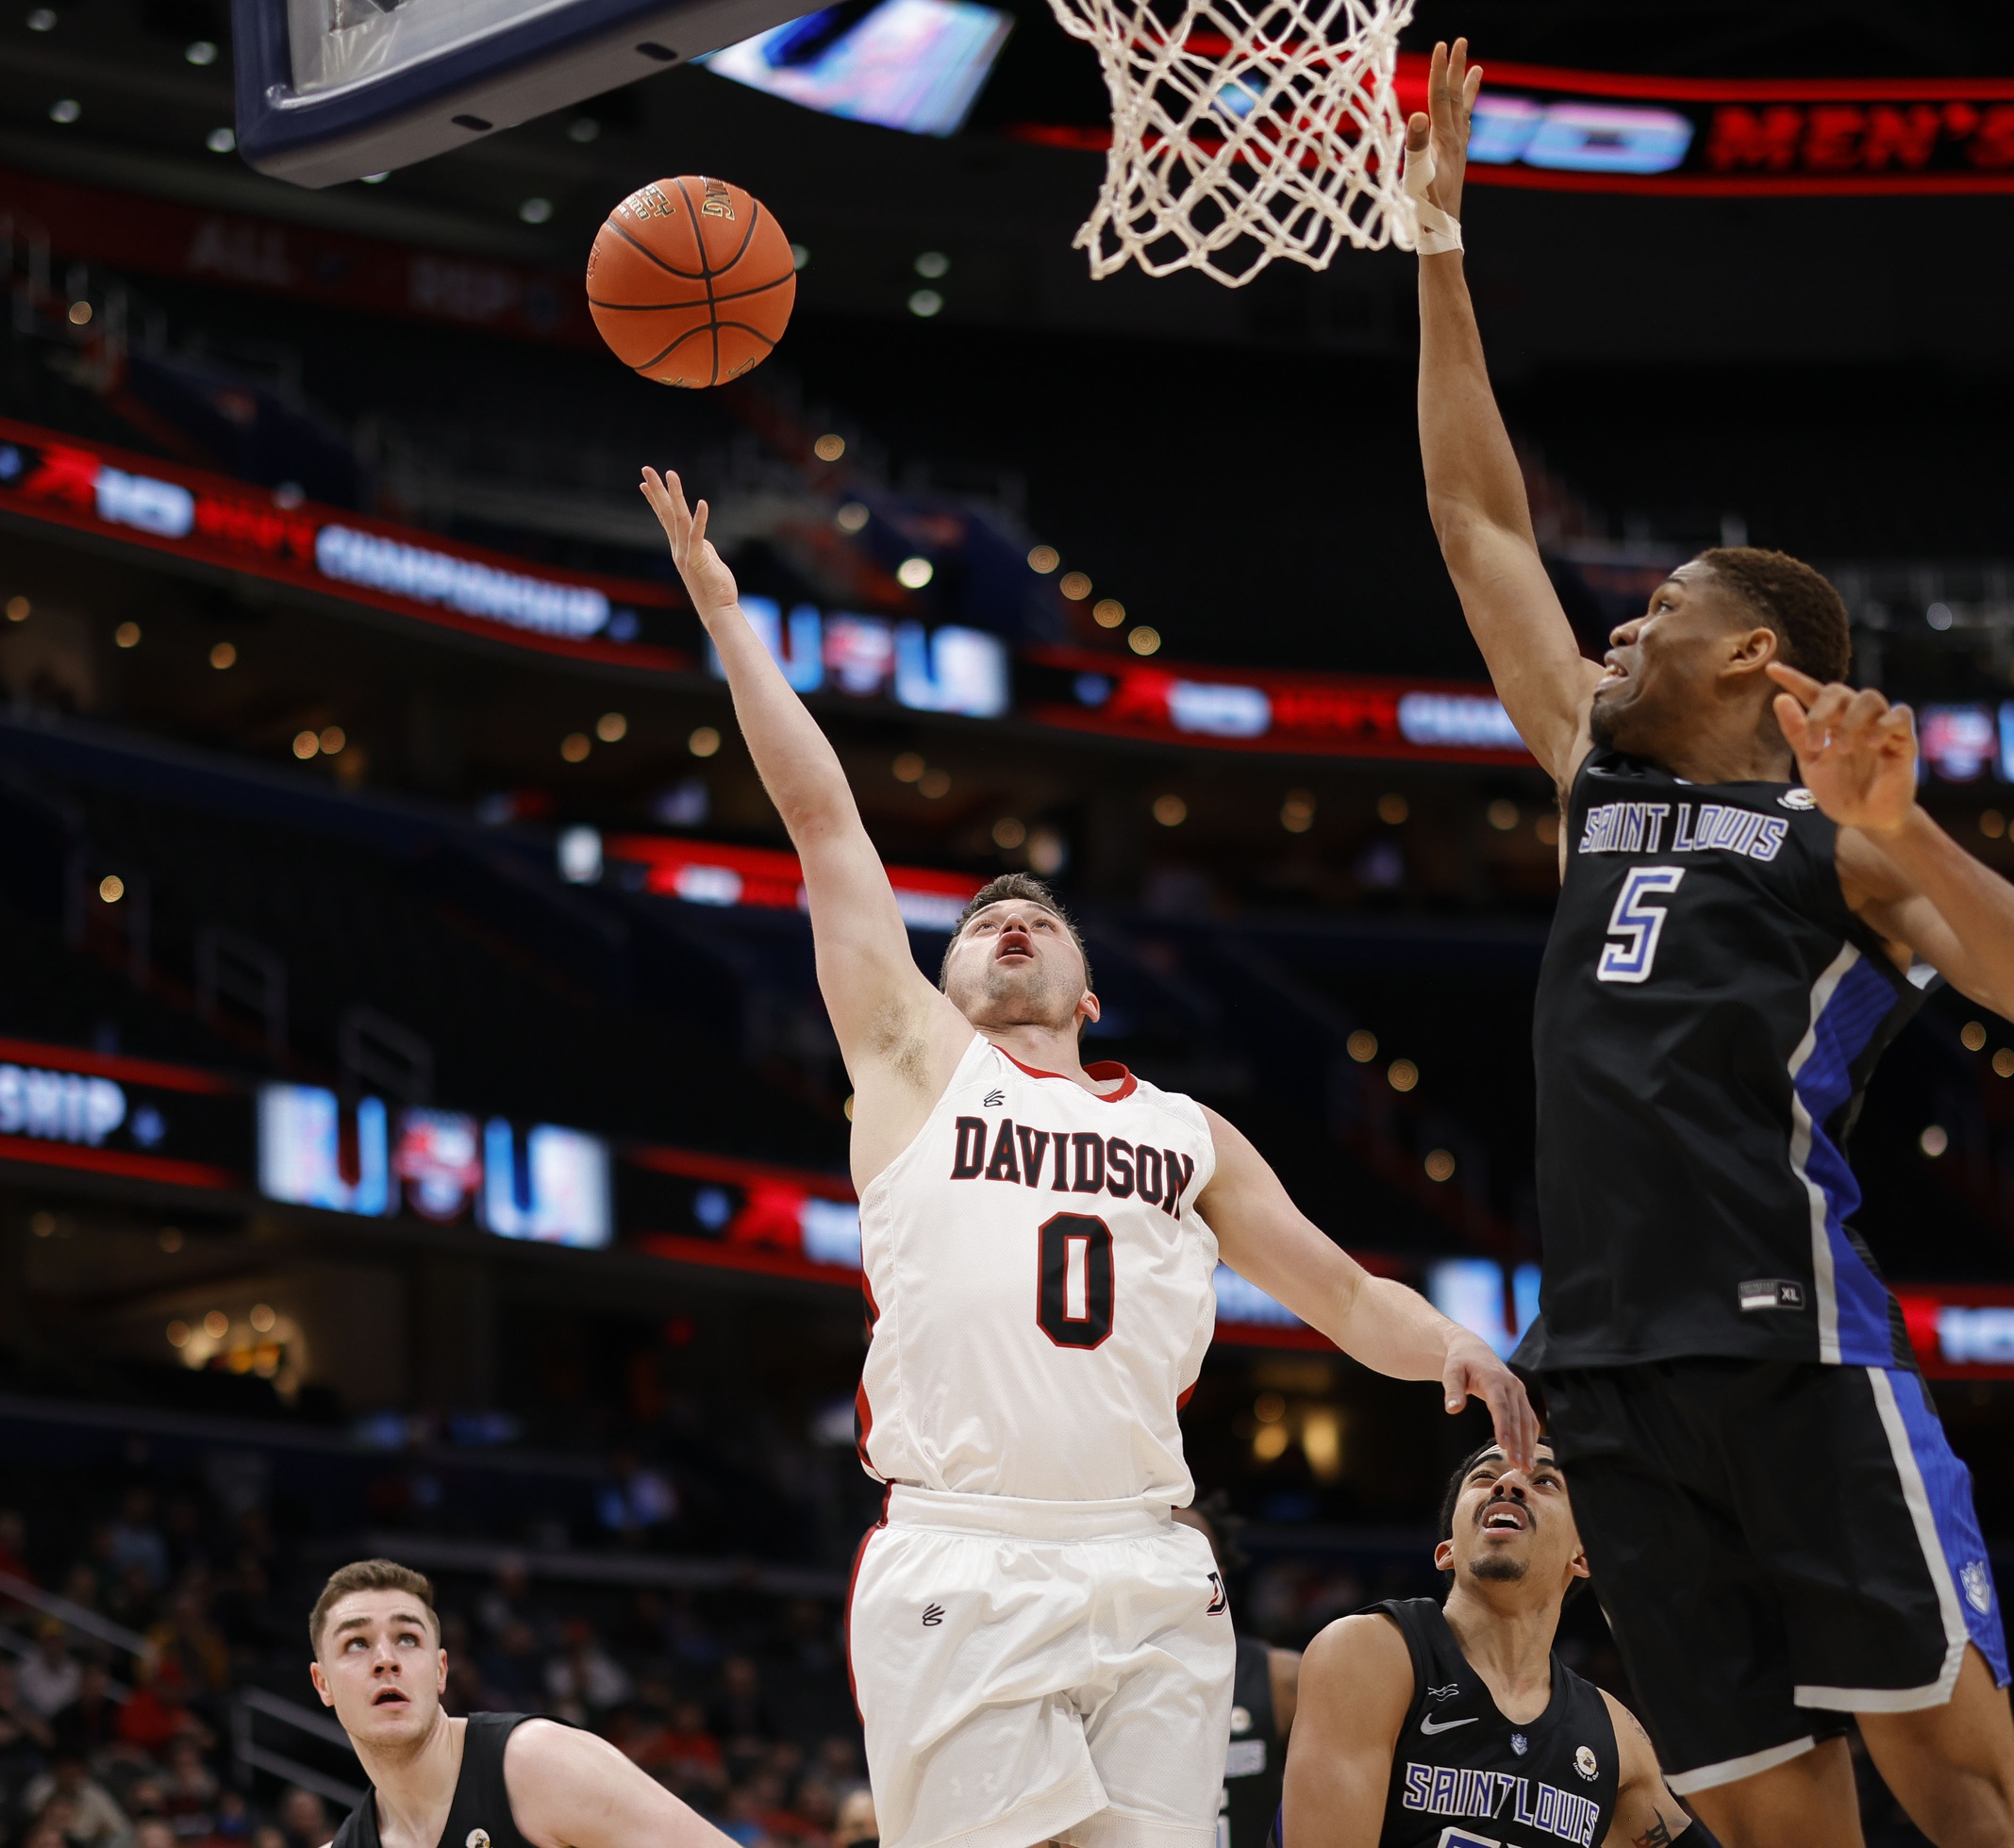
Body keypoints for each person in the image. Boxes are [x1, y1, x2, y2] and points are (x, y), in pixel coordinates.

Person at [1406, 42, 2014, 1848]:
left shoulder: (1840, 844)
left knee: (1956, 1782)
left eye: (1655, 612)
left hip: (1792, 1334)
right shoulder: (1586, 771)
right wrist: (1435, 246)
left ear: (1754, 660)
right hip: (1607, 1373)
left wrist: (1904, 828)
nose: (1616, 632)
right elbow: (1479, 524)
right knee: (1768, 1820)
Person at [641, 465, 1535, 1848]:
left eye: (1039, 920)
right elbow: (825, 819)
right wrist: (728, 616)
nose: (1012, 924)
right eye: (983, 921)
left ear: (1089, 987)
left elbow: (1349, 1296)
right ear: (937, 982)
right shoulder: (914, 1060)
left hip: (1153, 1558)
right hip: (965, 1545)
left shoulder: (1186, 1134)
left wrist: (1452, 1350)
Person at [1282, 1440, 1698, 1848]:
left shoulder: (1615, 1735)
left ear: (1583, 1556)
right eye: (1485, 1476)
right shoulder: (1371, 1652)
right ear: (1446, 1550)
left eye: (1546, 1482)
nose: (1510, 1483)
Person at [308, 1559, 738, 1848]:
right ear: (322, 1683)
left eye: (407, 1638)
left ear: (441, 1671)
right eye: (357, 1643)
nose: (386, 1660)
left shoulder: (537, 1763)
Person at [1173, 1502, 1294, 1848]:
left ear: (1218, 1575)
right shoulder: (1091, 1681)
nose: (1173, 1566)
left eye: (1189, 1551)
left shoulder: (1282, 1678)